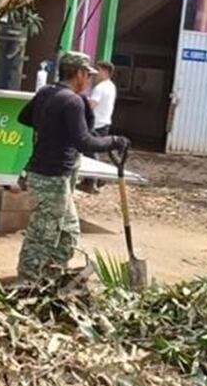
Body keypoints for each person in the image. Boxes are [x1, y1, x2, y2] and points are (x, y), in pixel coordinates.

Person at [15, 51, 129, 283]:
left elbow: (24, 117)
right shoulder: (71, 101)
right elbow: (84, 142)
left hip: (55, 174)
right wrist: (115, 141)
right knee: (43, 233)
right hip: (50, 175)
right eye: (88, 75)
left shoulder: (47, 93)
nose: (89, 80)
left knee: (69, 231)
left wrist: (52, 127)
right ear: (78, 73)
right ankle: (27, 280)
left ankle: (51, 276)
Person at [81, 60, 118, 193]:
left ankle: (94, 180)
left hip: (96, 124)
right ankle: (93, 180)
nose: (95, 73)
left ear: (105, 71)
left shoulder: (100, 88)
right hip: (104, 123)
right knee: (91, 151)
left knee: (89, 151)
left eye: (98, 70)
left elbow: (91, 106)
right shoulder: (111, 86)